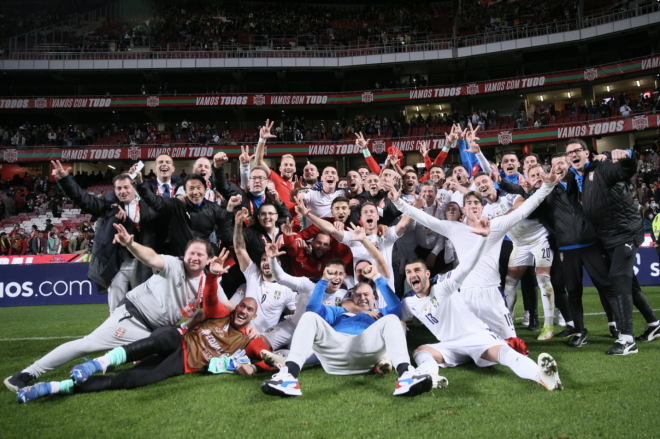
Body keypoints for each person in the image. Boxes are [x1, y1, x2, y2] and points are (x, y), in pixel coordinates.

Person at [16, 251, 274, 404]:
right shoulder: (222, 314)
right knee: (165, 338)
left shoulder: (252, 340)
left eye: (249, 310)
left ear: (254, 316)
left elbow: (272, 361)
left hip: (182, 364)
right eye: (241, 307)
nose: (242, 311)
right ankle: (97, 363)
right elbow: (208, 298)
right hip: (176, 339)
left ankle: (51, 387)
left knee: (133, 380)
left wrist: (254, 366)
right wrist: (213, 275)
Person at [4, 226, 215, 394]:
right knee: (87, 344)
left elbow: (212, 309)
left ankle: (106, 364)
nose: (194, 258)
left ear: (208, 259)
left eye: (200, 255)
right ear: (184, 254)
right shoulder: (172, 264)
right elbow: (150, 257)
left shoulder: (207, 281)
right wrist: (131, 245)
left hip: (153, 333)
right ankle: (27, 373)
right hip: (132, 318)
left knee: (153, 361)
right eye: (191, 253)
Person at [391, 169, 559, 351]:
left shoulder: (496, 225)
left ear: (482, 207)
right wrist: (398, 202)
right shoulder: (453, 228)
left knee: (514, 346)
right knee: (464, 348)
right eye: (468, 203)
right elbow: (424, 218)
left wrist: (546, 186)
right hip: (465, 297)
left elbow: (524, 210)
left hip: (492, 294)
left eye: (476, 202)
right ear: (464, 209)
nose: (473, 205)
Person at [401, 215, 563, 391]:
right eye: (408, 272)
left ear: (427, 274)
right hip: (451, 345)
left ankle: (542, 377)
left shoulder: (442, 286)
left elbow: (466, 266)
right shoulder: (409, 301)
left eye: (417, 270)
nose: (412, 274)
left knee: (505, 354)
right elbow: (396, 320)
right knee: (421, 352)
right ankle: (431, 376)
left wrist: (482, 240)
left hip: (476, 336)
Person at [261, 264, 432, 397]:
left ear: (375, 297)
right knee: (309, 317)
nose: (362, 298)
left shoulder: (382, 314)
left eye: (366, 294)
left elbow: (395, 305)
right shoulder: (339, 311)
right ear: (352, 298)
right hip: (335, 355)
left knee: (394, 320)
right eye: (358, 295)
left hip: (366, 351)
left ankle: (406, 375)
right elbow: (313, 309)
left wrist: (377, 278)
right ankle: (289, 377)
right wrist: (323, 280)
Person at [565, 139, 660, 354]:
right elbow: (573, 198)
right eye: (569, 153)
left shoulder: (602, 167)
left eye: (577, 151)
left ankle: (627, 340)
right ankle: (654, 323)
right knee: (631, 284)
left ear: (587, 153)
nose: (573, 155)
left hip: (625, 230)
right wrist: (586, 216)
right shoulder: (573, 175)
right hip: (606, 235)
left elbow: (626, 170)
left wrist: (627, 154)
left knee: (618, 278)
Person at [52, 160, 160, 312]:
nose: (123, 191)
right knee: (116, 308)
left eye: (126, 187)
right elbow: (83, 199)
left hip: (143, 262)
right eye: (119, 188)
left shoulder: (149, 206)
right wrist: (64, 179)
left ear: (134, 188)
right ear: (114, 191)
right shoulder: (108, 207)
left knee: (143, 306)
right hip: (116, 263)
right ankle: (116, 333)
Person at [136, 171, 235, 257]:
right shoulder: (176, 205)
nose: (195, 192)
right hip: (179, 260)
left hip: (201, 261)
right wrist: (140, 183)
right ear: (185, 191)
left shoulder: (214, 208)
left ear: (205, 190)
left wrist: (213, 253)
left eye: (199, 188)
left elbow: (225, 232)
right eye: (191, 188)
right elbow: (154, 201)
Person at [232, 208, 297, 333]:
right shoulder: (253, 273)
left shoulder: (287, 288)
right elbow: (239, 249)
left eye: (270, 260)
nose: (266, 263)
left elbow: (296, 316)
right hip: (240, 331)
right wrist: (238, 222)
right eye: (263, 260)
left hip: (265, 339)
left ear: (279, 263)